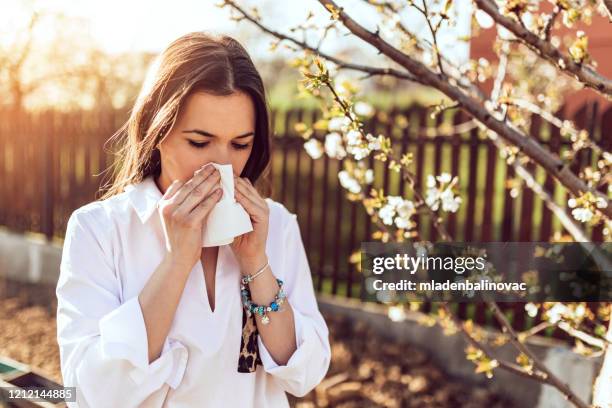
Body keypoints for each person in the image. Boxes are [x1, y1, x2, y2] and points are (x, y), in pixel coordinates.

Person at [55, 31, 331, 407]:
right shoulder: (100, 230)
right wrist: (177, 262)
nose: (221, 165)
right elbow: (89, 395)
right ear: (157, 132)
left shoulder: (277, 225)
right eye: (200, 142)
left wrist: (256, 263)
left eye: (240, 144)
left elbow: (305, 374)